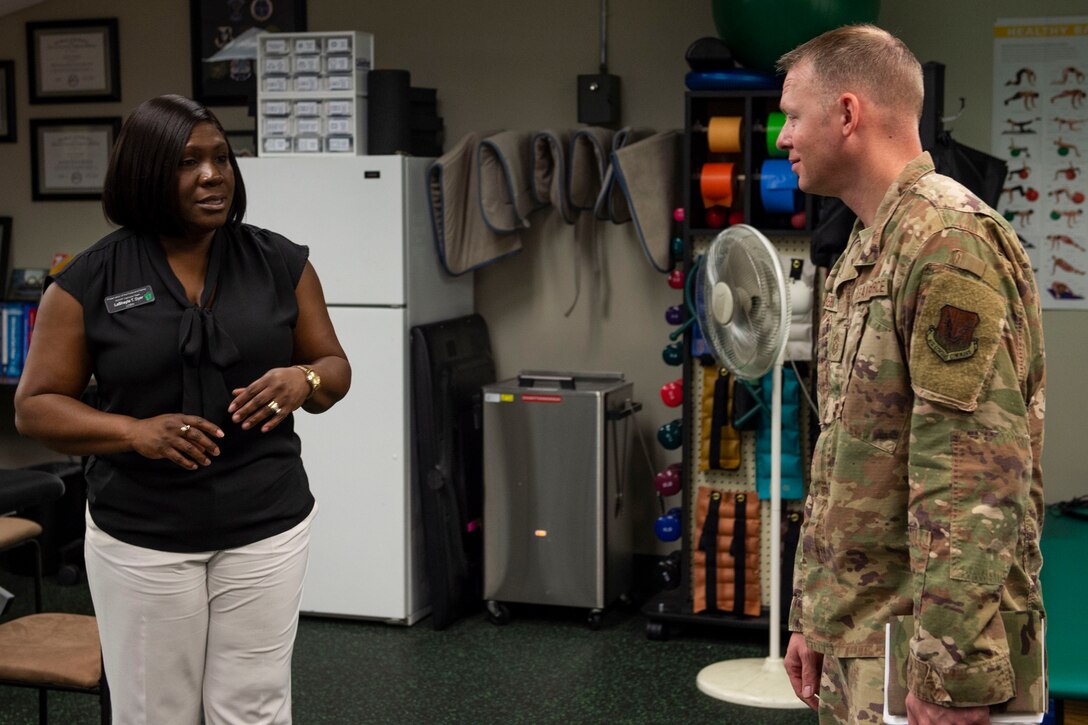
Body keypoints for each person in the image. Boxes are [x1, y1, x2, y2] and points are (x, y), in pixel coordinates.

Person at [14, 94, 351, 724]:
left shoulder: (281, 263)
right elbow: (35, 408)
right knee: (155, 712)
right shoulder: (89, 281)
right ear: (146, 172)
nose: (212, 174)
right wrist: (133, 432)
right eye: (188, 161)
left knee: (253, 708)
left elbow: (335, 368)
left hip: (266, 524)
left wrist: (304, 378)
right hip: (143, 535)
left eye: (221, 157)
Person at [774, 25, 1046, 725]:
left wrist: (953, 670)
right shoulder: (868, 248)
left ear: (847, 113)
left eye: (793, 115)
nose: (782, 137)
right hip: (862, 640)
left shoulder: (947, 243)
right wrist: (812, 614)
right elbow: (846, 457)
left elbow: (972, 476)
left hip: (921, 663)